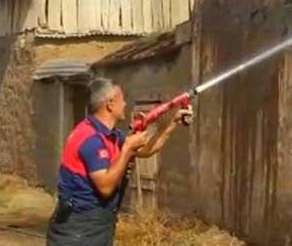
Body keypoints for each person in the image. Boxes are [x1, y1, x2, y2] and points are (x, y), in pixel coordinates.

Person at [46, 78, 193, 246]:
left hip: (98, 225)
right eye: (121, 100)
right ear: (110, 103)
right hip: (78, 230)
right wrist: (127, 150)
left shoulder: (111, 136)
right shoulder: (90, 138)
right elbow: (106, 188)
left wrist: (173, 123)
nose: (124, 104)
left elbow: (146, 151)